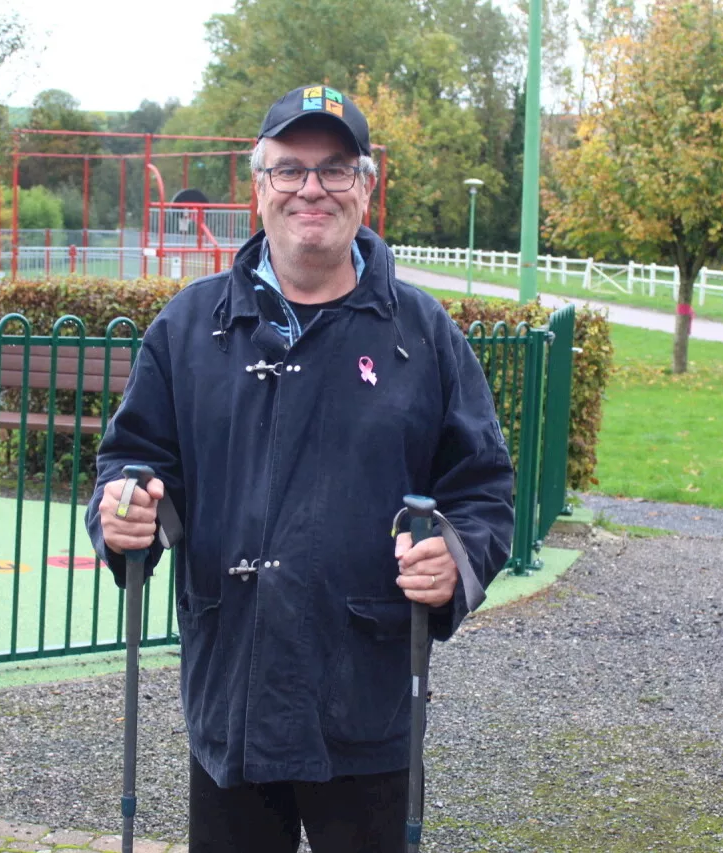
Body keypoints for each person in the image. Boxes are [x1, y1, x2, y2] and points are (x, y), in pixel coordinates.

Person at [86, 83, 514, 852]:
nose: (310, 188)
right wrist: (125, 511)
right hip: (231, 695)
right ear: (259, 187)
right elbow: (131, 460)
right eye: (289, 169)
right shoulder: (189, 328)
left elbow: (481, 487)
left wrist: (455, 555)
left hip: (366, 699)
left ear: (365, 186)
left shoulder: (423, 334)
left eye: (334, 169)